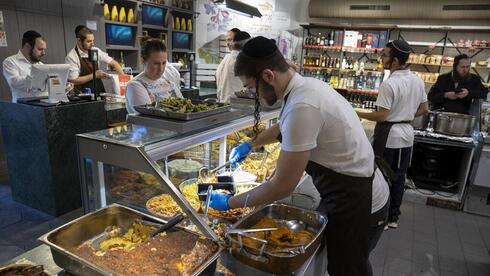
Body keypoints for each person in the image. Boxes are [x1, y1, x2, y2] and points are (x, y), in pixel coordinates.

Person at [208, 36, 389, 276]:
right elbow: (284, 127)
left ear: (268, 76)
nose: (253, 95)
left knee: (349, 269)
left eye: (251, 88)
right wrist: (252, 144)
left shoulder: (303, 104)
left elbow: (283, 186)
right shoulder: (304, 88)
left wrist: (229, 203)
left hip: (360, 202)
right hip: (349, 193)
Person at [357, 40, 428, 229]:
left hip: (390, 136)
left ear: (395, 61)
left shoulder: (389, 84)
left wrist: (355, 112)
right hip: (406, 134)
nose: (382, 58)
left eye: (385, 55)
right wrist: (405, 115)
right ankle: (393, 216)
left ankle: (384, 215)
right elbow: (424, 109)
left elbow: (382, 115)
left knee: (383, 175)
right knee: (400, 175)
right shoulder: (417, 80)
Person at [125, 37, 183, 114]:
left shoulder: (168, 82)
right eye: (156, 63)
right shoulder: (135, 85)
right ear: (143, 61)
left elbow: (184, 107)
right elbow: (149, 118)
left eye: (164, 63)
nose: (161, 68)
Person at [65, 25, 123, 93]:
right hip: (83, 95)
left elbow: (114, 63)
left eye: (93, 40)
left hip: (99, 90)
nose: (92, 44)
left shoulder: (95, 51)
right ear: (79, 40)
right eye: (89, 41)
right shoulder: (72, 57)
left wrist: (124, 80)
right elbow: (73, 80)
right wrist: (95, 75)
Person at [2, 30, 47, 102]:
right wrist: (36, 80)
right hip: (24, 108)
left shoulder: (41, 65)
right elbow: (14, 82)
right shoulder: (10, 62)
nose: (43, 53)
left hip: (43, 105)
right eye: (40, 49)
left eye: (44, 50)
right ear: (27, 46)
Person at [215, 31, 251, 103]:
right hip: (235, 104)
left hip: (221, 103)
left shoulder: (225, 58)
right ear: (246, 44)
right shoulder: (242, 60)